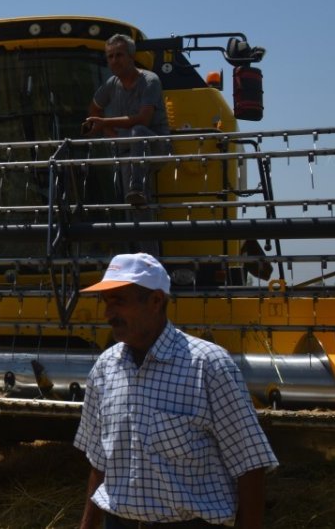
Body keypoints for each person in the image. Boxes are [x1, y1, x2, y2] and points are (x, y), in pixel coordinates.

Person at [74, 253, 277, 529]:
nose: (108, 313)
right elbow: (99, 462)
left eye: (119, 301)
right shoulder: (105, 368)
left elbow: (250, 465)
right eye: (105, 302)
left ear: (156, 301)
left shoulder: (208, 366)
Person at [83, 34, 171, 206]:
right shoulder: (111, 84)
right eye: (110, 56)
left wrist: (105, 124)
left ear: (132, 57)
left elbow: (143, 120)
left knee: (137, 131)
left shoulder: (150, 81)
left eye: (119, 55)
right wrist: (112, 135)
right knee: (134, 205)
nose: (114, 60)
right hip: (129, 152)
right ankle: (138, 217)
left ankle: (137, 187)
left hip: (157, 147)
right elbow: (93, 109)